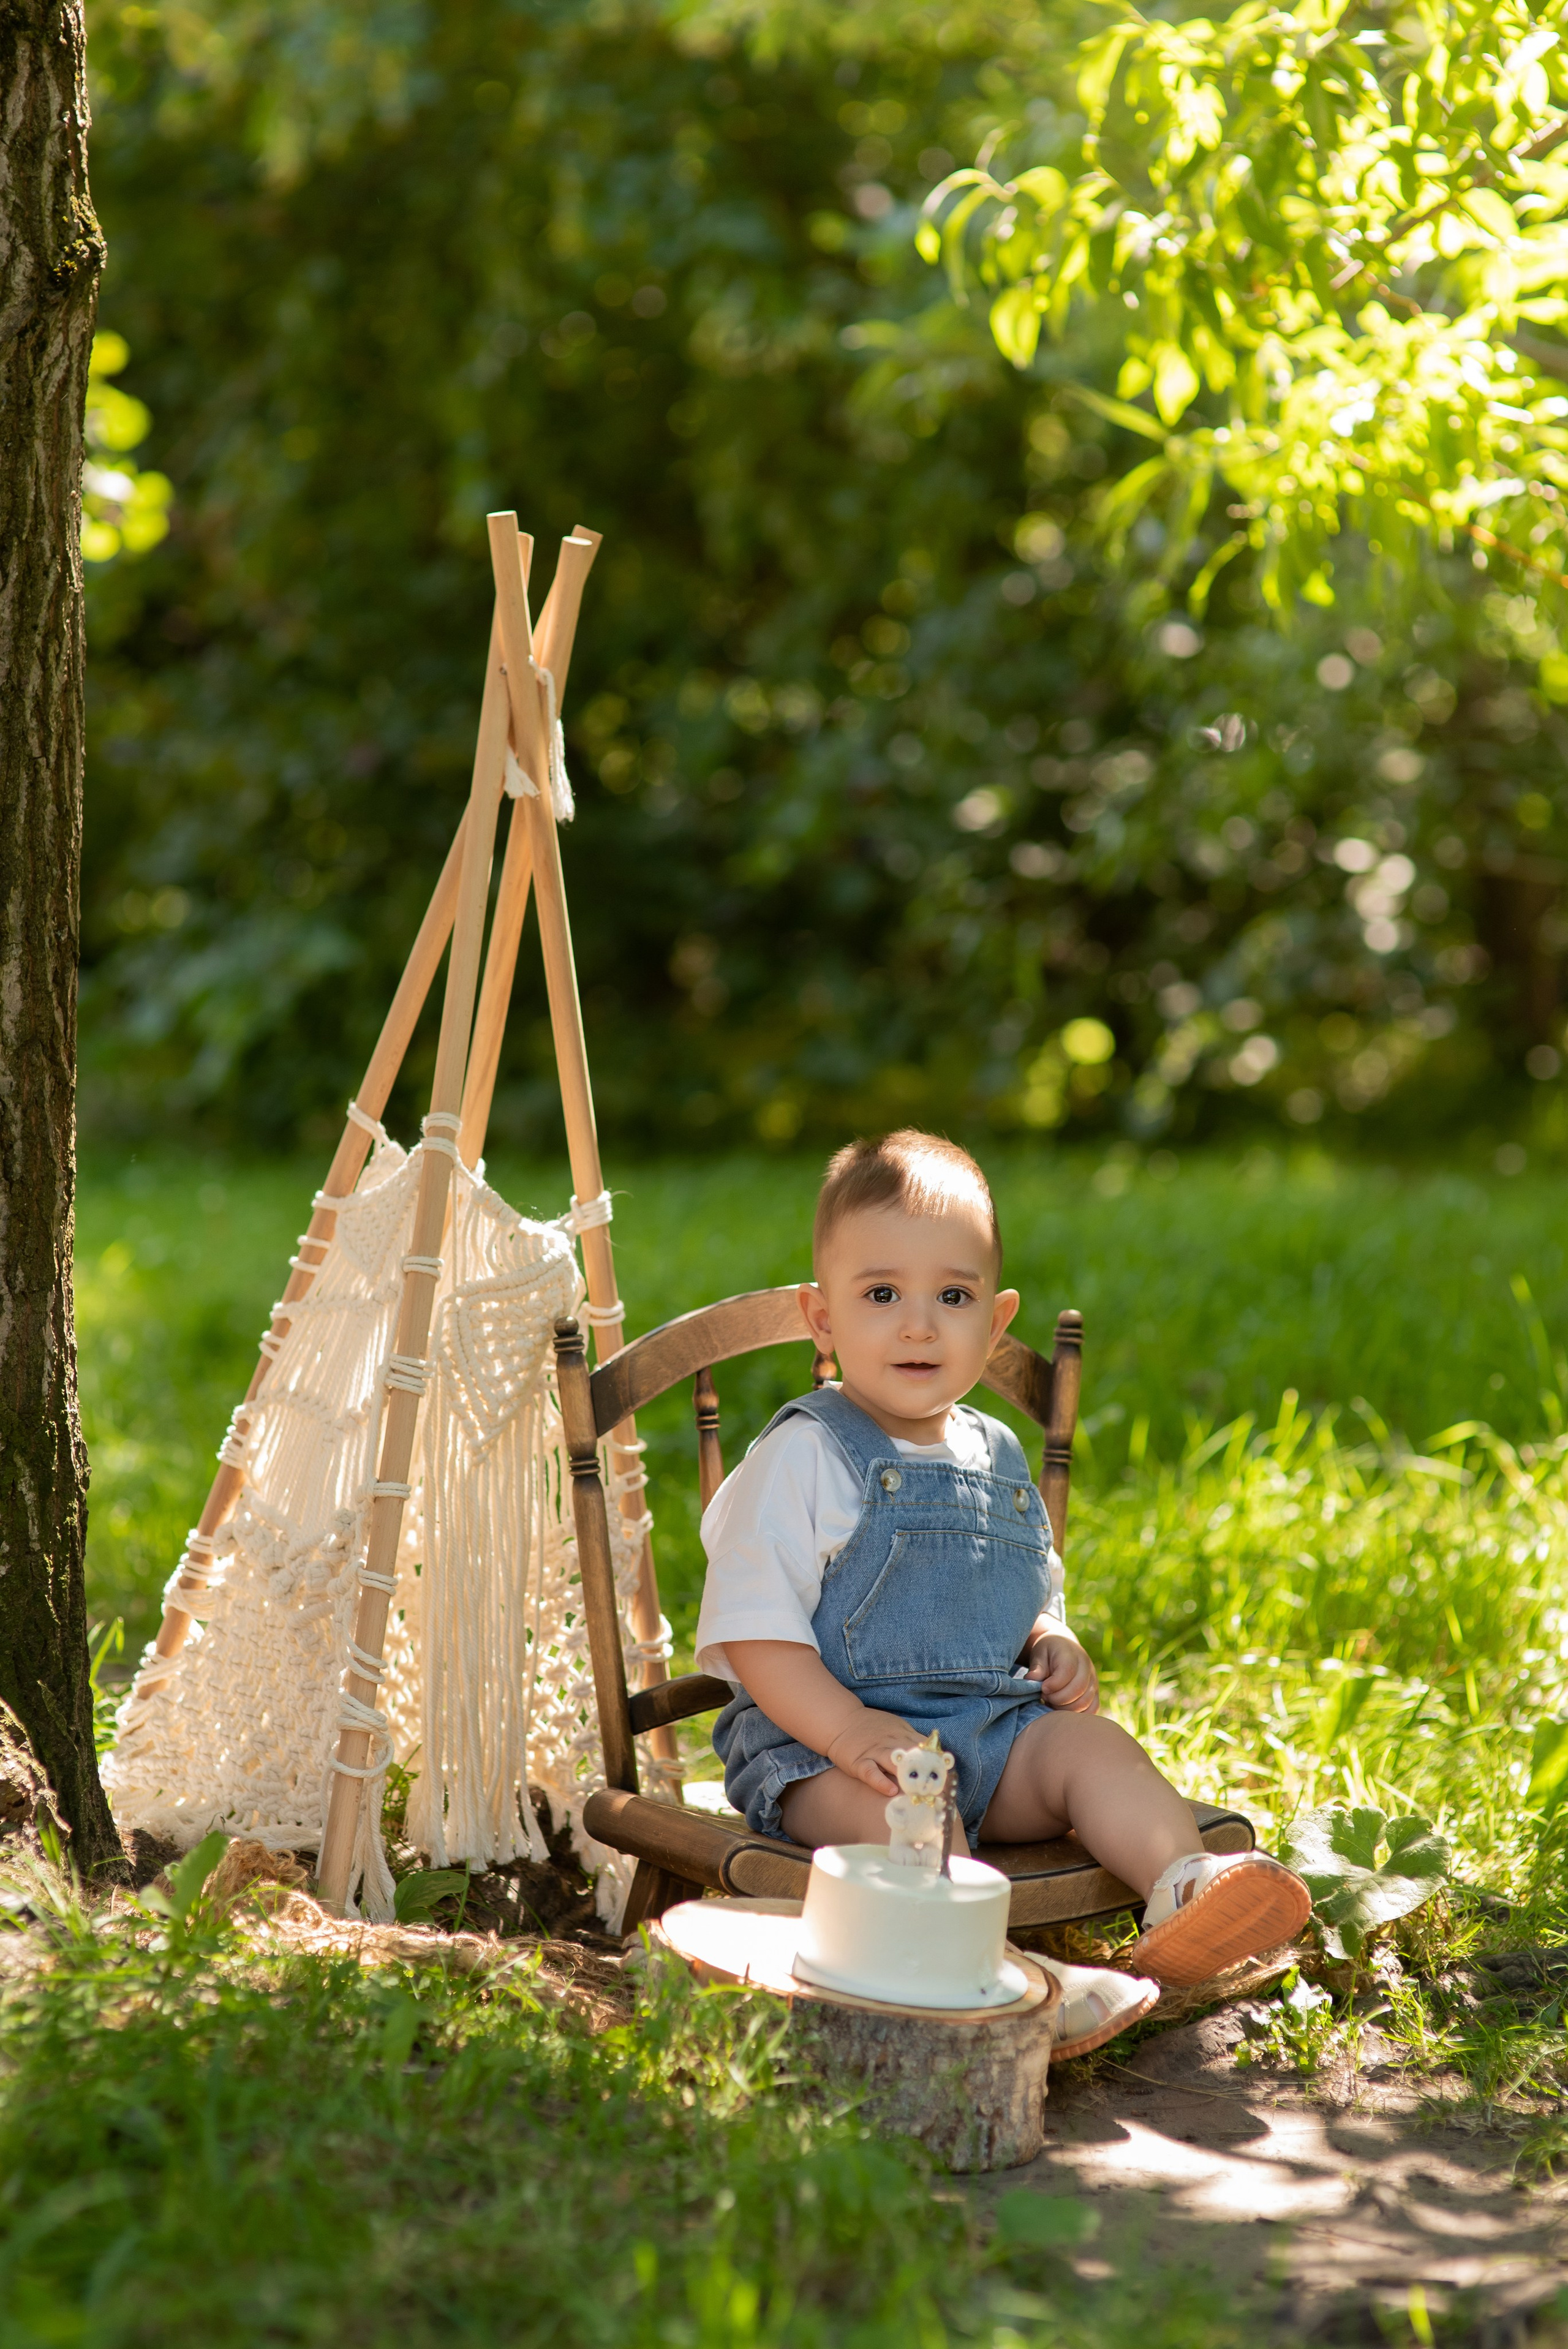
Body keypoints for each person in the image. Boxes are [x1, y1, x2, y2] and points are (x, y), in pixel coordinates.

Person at [695, 1129, 1310, 2037]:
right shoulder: (805, 1456)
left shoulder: (998, 1451)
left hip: (989, 1735)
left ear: (996, 1318)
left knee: (1093, 1751)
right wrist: (850, 1728)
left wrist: (1049, 1639)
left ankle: (1184, 1888)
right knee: (916, 1821)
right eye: (880, 1295)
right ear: (822, 1318)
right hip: (825, 1753)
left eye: (953, 1295)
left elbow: (1025, 1583)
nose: (919, 1323)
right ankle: (1012, 1982)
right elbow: (755, 1634)